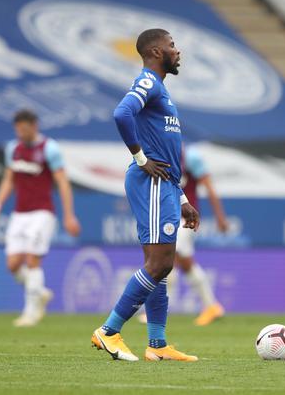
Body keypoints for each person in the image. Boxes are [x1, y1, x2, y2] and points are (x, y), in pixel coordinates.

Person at [91, 29, 200, 361]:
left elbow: (164, 152)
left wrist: (181, 199)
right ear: (155, 51)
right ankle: (108, 332)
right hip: (150, 181)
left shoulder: (161, 88)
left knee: (161, 265)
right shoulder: (149, 82)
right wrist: (141, 158)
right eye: (171, 46)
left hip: (164, 184)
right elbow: (121, 113)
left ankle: (157, 345)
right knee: (159, 263)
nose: (177, 51)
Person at [0, 109, 81, 327]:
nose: (21, 132)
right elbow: (9, 179)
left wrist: (69, 216)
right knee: (12, 264)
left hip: (42, 213)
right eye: (18, 129)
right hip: (19, 213)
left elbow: (63, 183)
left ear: (34, 126)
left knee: (32, 260)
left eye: (25, 128)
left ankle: (31, 312)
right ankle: (39, 291)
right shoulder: (13, 149)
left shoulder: (49, 148)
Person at [139, 145, 229, 326]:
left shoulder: (191, 157)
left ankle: (157, 311)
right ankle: (211, 306)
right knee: (184, 264)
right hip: (166, 217)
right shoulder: (157, 153)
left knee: (168, 260)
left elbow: (209, 187)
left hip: (183, 219)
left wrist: (220, 217)